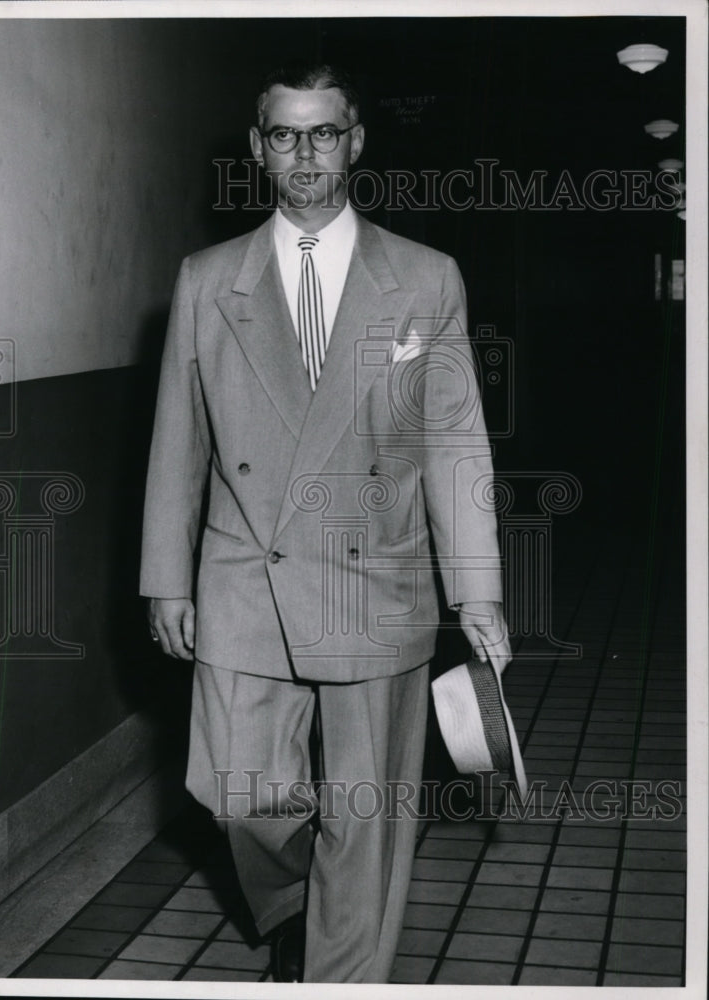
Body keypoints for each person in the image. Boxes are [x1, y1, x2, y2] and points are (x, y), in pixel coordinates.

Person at [140, 61, 511, 984]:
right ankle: (303, 902)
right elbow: (177, 442)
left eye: (324, 133)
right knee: (239, 797)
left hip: (373, 582)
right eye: (284, 134)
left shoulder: (425, 279)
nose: (304, 152)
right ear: (259, 148)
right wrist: (165, 579)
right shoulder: (206, 280)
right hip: (243, 580)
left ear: (354, 143)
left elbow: (456, 444)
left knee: (369, 815)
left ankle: (342, 971)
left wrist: (478, 594)